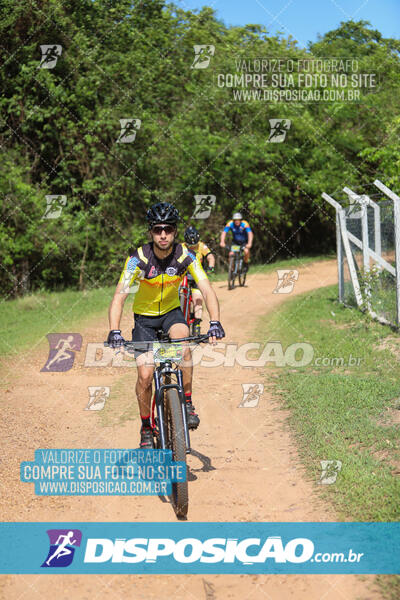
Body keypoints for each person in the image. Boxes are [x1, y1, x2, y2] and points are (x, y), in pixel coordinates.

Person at [107, 202, 225, 448]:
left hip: (172, 314)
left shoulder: (186, 256)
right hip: (144, 320)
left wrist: (215, 322)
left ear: (175, 231)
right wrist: (115, 331)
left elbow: (206, 288)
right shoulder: (137, 259)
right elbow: (120, 295)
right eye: (158, 229)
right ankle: (146, 426)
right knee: (145, 375)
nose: (163, 234)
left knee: (184, 345)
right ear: (151, 231)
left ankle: (188, 402)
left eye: (169, 229)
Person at [183, 226, 215, 334]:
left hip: (197, 277)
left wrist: (211, 266)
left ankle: (197, 322)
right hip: (183, 277)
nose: (192, 247)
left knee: (198, 299)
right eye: (190, 245)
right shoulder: (180, 247)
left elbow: (210, 257)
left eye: (194, 245)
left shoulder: (202, 246)